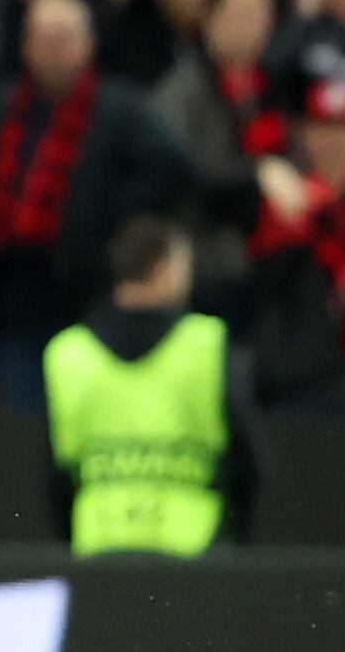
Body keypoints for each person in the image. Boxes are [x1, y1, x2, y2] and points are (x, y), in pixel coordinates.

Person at [43, 216, 256, 554]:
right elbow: (247, 459)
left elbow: (56, 476)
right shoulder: (207, 343)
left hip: (97, 545)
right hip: (194, 545)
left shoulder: (67, 353)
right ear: (164, 268)